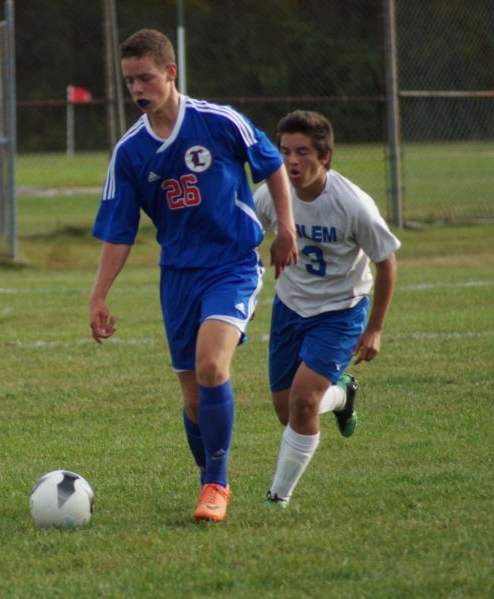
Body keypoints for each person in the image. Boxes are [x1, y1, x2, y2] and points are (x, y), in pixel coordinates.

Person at [89, 29, 298, 523]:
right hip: (178, 276)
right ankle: (209, 473)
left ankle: (217, 484)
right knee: (191, 396)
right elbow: (119, 232)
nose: (138, 89)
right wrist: (99, 295)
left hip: (232, 265)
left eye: (146, 78)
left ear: (170, 73)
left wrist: (285, 227)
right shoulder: (130, 153)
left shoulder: (218, 121)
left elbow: (271, 165)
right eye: (130, 81)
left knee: (211, 367)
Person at [253, 110, 400, 507]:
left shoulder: (353, 204)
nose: (291, 161)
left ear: (325, 157)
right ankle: (343, 394)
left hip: (340, 311)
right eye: (284, 151)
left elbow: (386, 262)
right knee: (289, 414)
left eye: (302, 152)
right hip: (289, 308)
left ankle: (277, 498)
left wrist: (374, 328)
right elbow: (247, 242)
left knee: (303, 402)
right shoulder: (271, 194)